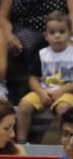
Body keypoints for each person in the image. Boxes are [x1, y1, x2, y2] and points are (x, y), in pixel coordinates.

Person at [17, 10, 73, 143]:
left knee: (63, 108)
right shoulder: (42, 54)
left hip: (67, 93)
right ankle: (22, 142)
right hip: (44, 91)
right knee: (24, 105)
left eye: (62, 31)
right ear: (46, 36)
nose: (57, 36)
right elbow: (33, 78)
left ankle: (63, 141)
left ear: (70, 33)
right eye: (52, 33)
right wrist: (41, 93)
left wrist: (61, 91)